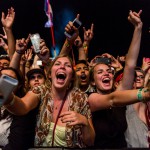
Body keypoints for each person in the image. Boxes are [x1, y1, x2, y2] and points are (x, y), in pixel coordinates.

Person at [3, 53, 95, 148]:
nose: (62, 67)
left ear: (72, 76)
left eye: (67, 65)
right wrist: (6, 95)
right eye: (57, 64)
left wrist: (85, 122)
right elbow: (22, 107)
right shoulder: (41, 91)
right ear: (50, 74)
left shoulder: (81, 98)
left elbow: (90, 141)